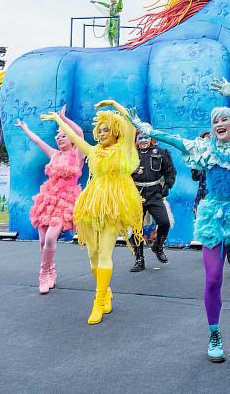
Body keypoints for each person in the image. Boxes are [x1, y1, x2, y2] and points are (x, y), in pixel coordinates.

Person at [126, 77, 230, 373]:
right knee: (214, 279)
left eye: (224, 119)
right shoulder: (206, 149)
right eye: (215, 120)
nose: (218, 123)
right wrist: (146, 129)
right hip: (214, 217)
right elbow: (174, 141)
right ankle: (215, 334)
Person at [41, 99, 144, 324]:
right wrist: (59, 119)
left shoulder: (124, 148)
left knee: (105, 253)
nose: (103, 132)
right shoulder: (94, 151)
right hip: (91, 205)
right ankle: (105, 292)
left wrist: (115, 105)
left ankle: (98, 302)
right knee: (93, 256)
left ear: (116, 131)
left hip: (114, 205)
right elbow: (77, 138)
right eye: (101, 129)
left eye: (107, 129)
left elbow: (130, 126)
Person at [16, 106, 83, 294]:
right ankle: (51, 269)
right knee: (42, 242)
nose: (59, 138)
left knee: (51, 238)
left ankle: (43, 273)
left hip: (66, 201)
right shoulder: (55, 155)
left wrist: (62, 119)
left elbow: (78, 132)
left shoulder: (78, 153)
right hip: (47, 200)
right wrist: (25, 128)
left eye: (63, 135)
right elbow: (37, 141)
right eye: (58, 135)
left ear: (71, 139)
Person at [129, 133, 176, 272]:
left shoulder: (161, 153)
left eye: (145, 137)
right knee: (136, 227)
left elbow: (170, 171)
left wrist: (166, 187)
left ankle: (158, 246)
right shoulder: (130, 155)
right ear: (136, 141)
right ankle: (139, 259)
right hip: (136, 194)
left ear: (150, 139)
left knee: (164, 222)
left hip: (155, 193)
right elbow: (123, 174)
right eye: (140, 138)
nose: (143, 140)